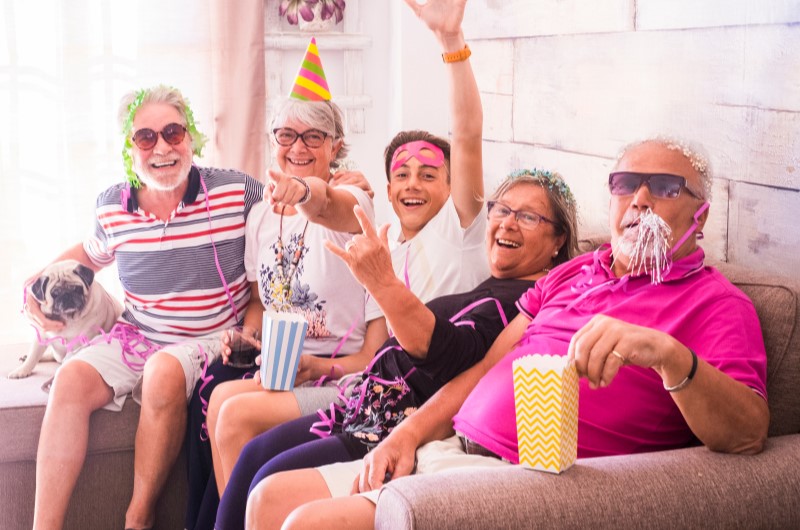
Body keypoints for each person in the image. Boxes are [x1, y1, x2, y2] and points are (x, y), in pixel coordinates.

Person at [261, 137, 770, 530]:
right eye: (626, 183)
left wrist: (669, 356)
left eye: (665, 187)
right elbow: (486, 368)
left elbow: (748, 433)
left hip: (534, 482)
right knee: (270, 498)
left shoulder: (717, 303)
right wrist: (407, 436)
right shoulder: (573, 273)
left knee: (309, 524)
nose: (639, 199)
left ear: (700, 214)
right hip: (454, 448)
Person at [194, 3, 490, 524]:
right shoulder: (386, 243)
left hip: (394, 395)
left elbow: (463, 136)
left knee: (242, 425)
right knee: (218, 397)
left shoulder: (457, 231)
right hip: (370, 390)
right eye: (402, 174)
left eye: (429, 175)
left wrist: (451, 41)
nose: (413, 184)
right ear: (387, 186)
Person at [210, 168, 577, 530]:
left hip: (387, 422)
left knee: (263, 473)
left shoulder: (524, 302)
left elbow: (446, 354)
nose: (508, 223)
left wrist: (382, 282)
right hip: (359, 402)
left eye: (528, 217)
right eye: (502, 210)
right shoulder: (492, 282)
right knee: (253, 455)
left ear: (558, 239)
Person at [22, 84, 264, 530]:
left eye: (173, 132)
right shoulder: (113, 206)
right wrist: (31, 286)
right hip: (139, 335)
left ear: (191, 136)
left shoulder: (238, 191)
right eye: (146, 137)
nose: (162, 148)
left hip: (212, 338)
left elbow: (286, 223)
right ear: (129, 148)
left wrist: (334, 187)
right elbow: (89, 254)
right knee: (68, 379)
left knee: (163, 371)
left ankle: (138, 518)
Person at [184, 39, 389, 530]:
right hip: (281, 367)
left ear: (335, 146)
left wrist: (301, 191)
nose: (298, 147)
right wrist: (248, 337)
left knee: (232, 413)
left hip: (338, 374)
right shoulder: (260, 215)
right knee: (216, 395)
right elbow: (262, 301)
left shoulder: (355, 200)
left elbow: (329, 202)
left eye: (314, 136)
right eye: (287, 134)